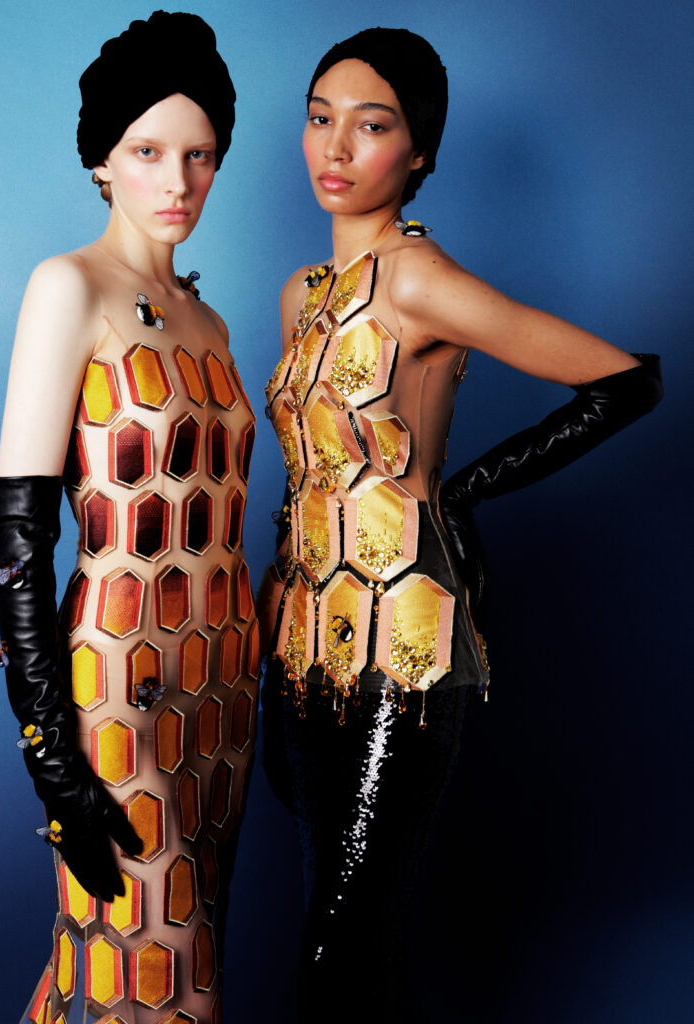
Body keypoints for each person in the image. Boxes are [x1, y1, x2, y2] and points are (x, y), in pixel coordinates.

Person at [259, 27, 662, 1023]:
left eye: (370, 125)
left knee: (341, 946)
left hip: (404, 646)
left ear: (419, 153)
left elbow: (624, 381)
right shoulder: (301, 295)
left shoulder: (416, 279)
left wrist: (467, 490)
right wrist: (269, 645)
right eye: (319, 119)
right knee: (348, 942)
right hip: (304, 647)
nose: (335, 147)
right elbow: (307, 481)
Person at [0, 12, 259, 1022]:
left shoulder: (209, 320)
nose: (177, 181)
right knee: (169, 983)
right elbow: (15, 530)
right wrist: (52, 751)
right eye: (147, 152)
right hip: (118, 683)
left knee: (117, 984)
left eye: (200, 155)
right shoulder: (70, 288)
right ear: (102, 159)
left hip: (223, 687)